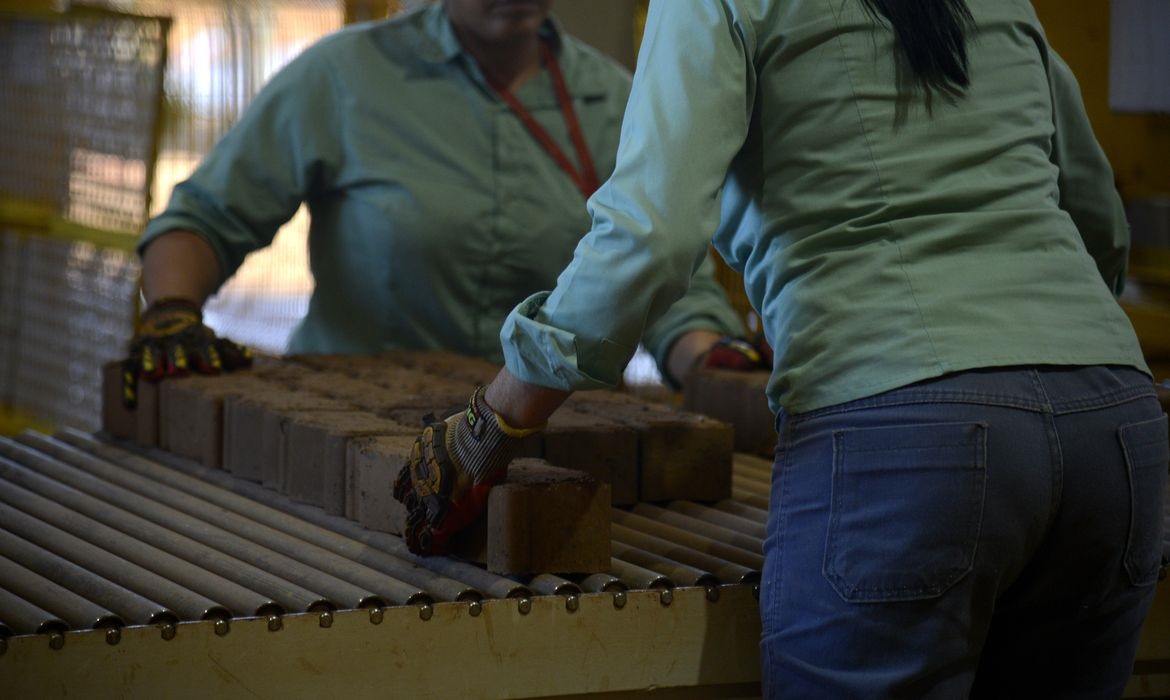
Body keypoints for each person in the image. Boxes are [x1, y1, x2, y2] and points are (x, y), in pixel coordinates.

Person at [394, 0, 1169, 696]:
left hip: (905, 434)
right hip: (1115, 430)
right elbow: (1094, 215)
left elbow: (650, 237)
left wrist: (496, 419)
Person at [121, 0, 756, 407]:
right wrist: (172, 312)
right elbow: (206, 218)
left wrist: (712, 359)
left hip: (546, 436)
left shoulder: (619, 100)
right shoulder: (346, 75)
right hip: (349, 417)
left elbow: (669, 286)